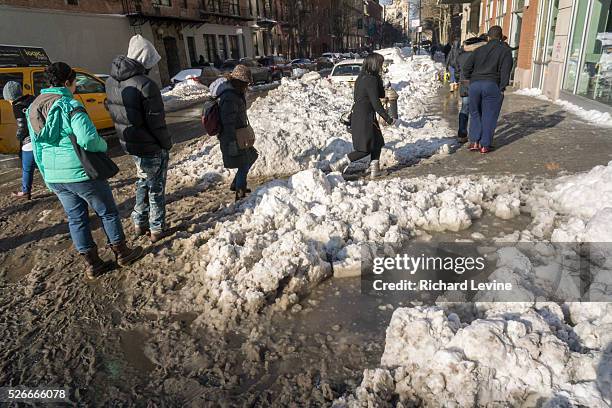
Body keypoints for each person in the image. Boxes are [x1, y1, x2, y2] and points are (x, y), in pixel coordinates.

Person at [26, 62, 143, 279]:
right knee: (107, 211)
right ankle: (122, 252)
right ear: (68, 81)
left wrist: (47, 176)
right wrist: (104, 146)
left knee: (76, 219)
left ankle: (92, 264)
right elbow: (88, 139)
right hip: (81, 172)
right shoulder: (70, 105)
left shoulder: (34, 108)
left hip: (55, 175)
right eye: (75, 81)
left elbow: (37, 147)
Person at [105, 35, 173, 243]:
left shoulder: (111, 81)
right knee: (156, 188)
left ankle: (139, 221)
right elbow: (157, 122)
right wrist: (166, 143)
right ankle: (157, 228)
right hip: (150, 146)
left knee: (143, 181)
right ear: (144, 58)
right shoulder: (146, 84)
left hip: (131, 145)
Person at [330, 53, 394, 178]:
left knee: (378, 143)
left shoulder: (363, 77)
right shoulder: (370, 80)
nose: (382, 66)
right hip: (364, 117)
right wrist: (388, 118)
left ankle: (375, 170)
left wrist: (381, 80)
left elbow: (379, 94)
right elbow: (376, 103)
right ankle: (339, 164)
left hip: (364, 115)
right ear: (375, 64)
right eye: (380, 64)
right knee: (364, 149)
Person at [210, 65, 258, 201]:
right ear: (239, 81)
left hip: (239, 134)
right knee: (244, 163)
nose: (247, 86)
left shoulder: (235, 93)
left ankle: (236, 184)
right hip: (233, 136)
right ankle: (240, 193)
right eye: (246, 83)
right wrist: (231, 142)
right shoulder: (229, 97)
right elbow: (228, 122)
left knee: (252, 156)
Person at [463, 26, 513, 154]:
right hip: (492, 85)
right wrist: (502, 87)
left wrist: (472, 79)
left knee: (475, 113)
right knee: (489, 116)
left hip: (475, 85)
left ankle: (474, 141)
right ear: (501, 37)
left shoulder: (478, 50)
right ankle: (485, 145)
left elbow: (466, 68)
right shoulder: (505, 51)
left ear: (488, 37)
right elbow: (505, 71)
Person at [3, 81, 36, 199]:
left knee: (27, 168)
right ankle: (57, 188)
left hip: (29, 141)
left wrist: (19, 137)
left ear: (10, 97)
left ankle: (25, 191)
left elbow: (22, 126)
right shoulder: (32, 99)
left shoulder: (17, 106)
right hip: (41, 138)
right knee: (43, 166)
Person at [455, 37, 487, 143]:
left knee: (464, 109)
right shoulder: (481, 56)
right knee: (477, 111)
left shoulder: (461, 56)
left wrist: (458, 80)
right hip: (477, 85)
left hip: (465, 86)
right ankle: (476, 136)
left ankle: (462, 134)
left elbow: (457, 71)